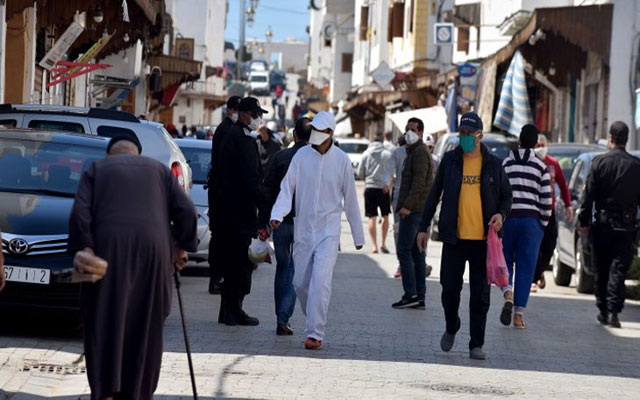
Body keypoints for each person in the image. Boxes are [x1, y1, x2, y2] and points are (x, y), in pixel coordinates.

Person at [68, 136, 198, 400]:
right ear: (136, 154)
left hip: (106, 255)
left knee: (103, 321)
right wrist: (182, 244)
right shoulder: (160, 171)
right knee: (147, 326)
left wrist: (86, 246)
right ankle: (138, 393)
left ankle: (105, 392)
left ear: (110, 154)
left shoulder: (97, 169)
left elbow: (80, 213)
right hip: (154, 255)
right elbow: (187, 211)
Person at [418, 112, 512, 360]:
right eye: (462, 133)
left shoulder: (493, 164)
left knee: (480, 295)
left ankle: (476, 344)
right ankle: (452, 325)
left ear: (480, 136)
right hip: (454, 238)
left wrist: (501, 215)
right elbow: (433, 194)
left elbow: (507, 197)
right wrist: (423, 227)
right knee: (449, 289)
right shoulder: (450, 161)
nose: (465, 138)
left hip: (482, 241)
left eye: (470, 134)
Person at [270, 111, 364, 350]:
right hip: (303, 229)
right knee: (300, 283)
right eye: (314, 129)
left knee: (321, 281)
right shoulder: (301, 156)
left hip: (329, 231)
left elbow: (351, 199)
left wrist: (357, 235)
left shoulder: (342, 160)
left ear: (330, 133)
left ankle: (315, 333)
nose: (315, 133)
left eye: (321, 130)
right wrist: (277, 215)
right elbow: (287, 188)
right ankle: (313, 315)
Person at [579, 122, 640, 329]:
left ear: (610, 138)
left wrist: (584, 221)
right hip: (627, 226)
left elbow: (589, 197)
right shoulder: (636, 166)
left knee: (602, 268)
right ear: (627, 139)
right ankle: (613, 311)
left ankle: (604, 309)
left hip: (603, 225)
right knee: (618, 269)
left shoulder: (599, 163)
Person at [214, 97, 266, 326]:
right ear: (244, 114)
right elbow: (248, 179)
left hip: (230, 210)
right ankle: (234, 310)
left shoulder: (234, 135)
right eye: (255, 114)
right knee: (240, 265)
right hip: (239, 212)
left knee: (233, 262)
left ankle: (228, 312)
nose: (258, 119)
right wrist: (265, 202)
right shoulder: (241, 139)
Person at [259, 117, 312, 335]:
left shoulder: (281, 156)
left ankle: (280, 317)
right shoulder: (315, 159)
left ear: (293, 135)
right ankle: (283, 318)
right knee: (294, 270)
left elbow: (267, 190)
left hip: (280, 222)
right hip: (303, 223)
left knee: (282, 268)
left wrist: (263, 222)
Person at [500, 124, 552, 328]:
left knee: (505, 263)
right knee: (526, 267)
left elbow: (499, 194)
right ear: (534, 144)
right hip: (531, 223)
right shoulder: (541, 167)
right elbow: (546, 200)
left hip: (508, 219)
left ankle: (507, 293)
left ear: (519, 141)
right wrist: (543, 224)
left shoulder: (505, 164)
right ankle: (518, 316)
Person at [391, 117, 434, 310]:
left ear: (421, 133)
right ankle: (418, 295)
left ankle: (411, 293)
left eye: (413, 129)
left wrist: (407, 206)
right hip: (416, 210)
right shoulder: (414, 151)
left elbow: (418, 184)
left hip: (415, 211)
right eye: (407, 129)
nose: (408, 132)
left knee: (404, 250)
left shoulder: (420, 153)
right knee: (417, 253)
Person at [208, 96, 242, 295]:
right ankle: (216, 277)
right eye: (236, 109)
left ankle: (217, 276)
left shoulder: (227, 129)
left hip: (221, 190)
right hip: (221, 191)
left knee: (220, 236)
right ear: (230, 110)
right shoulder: (227, 130)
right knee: (220, 236)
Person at [532, 133, 572, 292]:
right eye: (537, 145)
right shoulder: (531, 163)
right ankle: (533, 279)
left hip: (550, 211)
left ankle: (540, 271)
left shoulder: (553, 164)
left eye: (542, 145)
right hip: (533, 212)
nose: (540, 148)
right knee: (535, 245)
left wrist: (568, 205)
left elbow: (563, 185)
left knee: (550, 245)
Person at [358, 133, 393, 254]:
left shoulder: (366, 154)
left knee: (371, 217)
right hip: (384, 188)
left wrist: (368, 180)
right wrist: (388, 184)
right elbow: (392, 172)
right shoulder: (387, 154)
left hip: (370, 188)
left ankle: (374, 246)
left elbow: (360, 173)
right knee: (385, 216)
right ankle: (383, 243)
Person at [389, 136, 407, 278]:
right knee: (400, 229)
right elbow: (390, 174)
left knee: (400, 229)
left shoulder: (422, 152)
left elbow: (390, 175)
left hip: (405, 197)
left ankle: (405, 262)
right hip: (400, 197)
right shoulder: (397, 152)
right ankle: (403, 262)